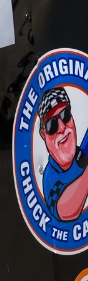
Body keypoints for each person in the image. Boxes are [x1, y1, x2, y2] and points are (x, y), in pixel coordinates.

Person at [40, 87, 88, 221]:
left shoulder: (81, 151)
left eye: (65, 115)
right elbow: (65, 210)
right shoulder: (50, 176)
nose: (61, 128)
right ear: (44, 135)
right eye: (52, 125)